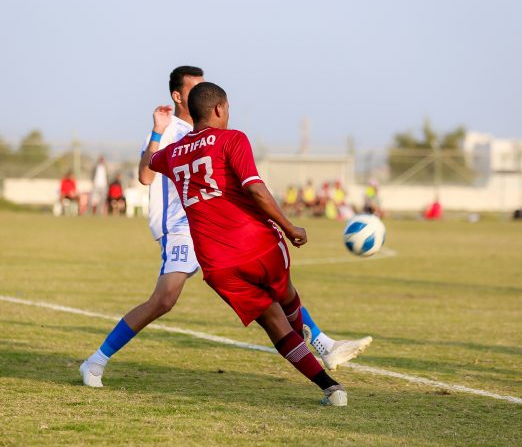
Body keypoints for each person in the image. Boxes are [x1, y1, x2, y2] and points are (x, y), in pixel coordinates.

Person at [80, 67, 370, 390]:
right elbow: (146, 175)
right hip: (180, 227)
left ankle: (322, 345)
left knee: (274, 288)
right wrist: (157, 132)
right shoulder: (172, 130)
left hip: (214, 230)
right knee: (164, 300)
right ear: (179, 96)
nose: (199, 91)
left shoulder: (201, 134)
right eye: (194, 87)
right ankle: (97, 359)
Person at [148, 82, 348, 405]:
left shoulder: (172, 154)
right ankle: (319, 343)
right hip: (258, 244)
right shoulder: (232, 138)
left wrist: (157, 131)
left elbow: (150, 162)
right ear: (219, 109)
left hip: (218, 264)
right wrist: (289, 227)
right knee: (287, 295)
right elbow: (255, 188)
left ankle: (331, 388)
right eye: (228, 108)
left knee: (274, 324)